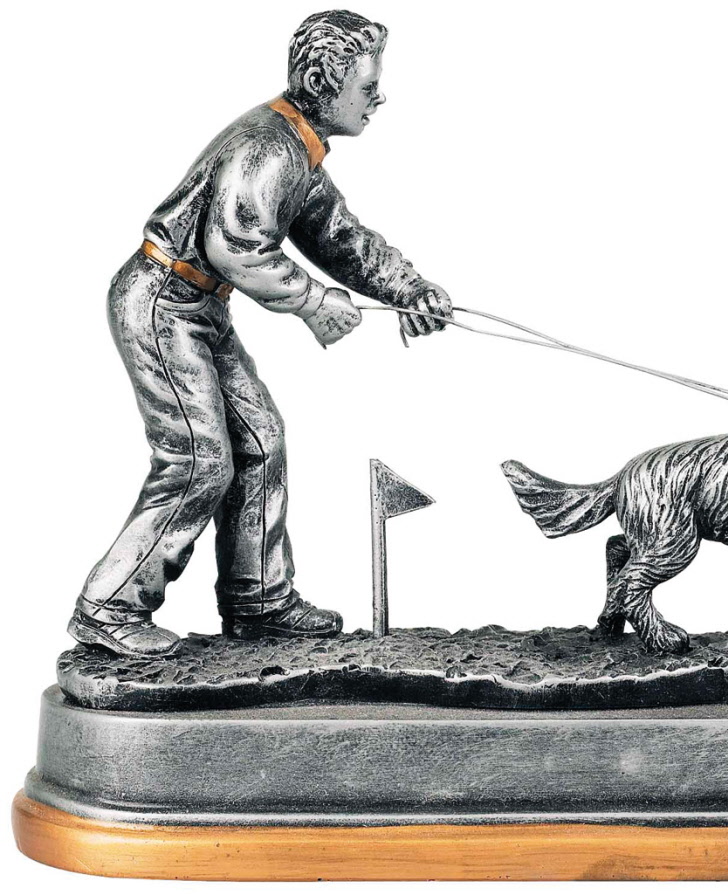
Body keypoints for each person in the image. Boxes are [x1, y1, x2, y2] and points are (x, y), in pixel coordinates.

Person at [69, 10, 451, 658]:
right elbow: (236, 247)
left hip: (198, 306)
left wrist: (408, 288)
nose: (379, 97)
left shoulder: (299, 151)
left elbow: (339, 238)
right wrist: (314, 302)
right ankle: (110, 607)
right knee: (199, 459)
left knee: (261, 440)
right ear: (323, 84)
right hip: (160, 303)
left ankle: (260, 602)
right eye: (368, 86)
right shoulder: (269, 149)